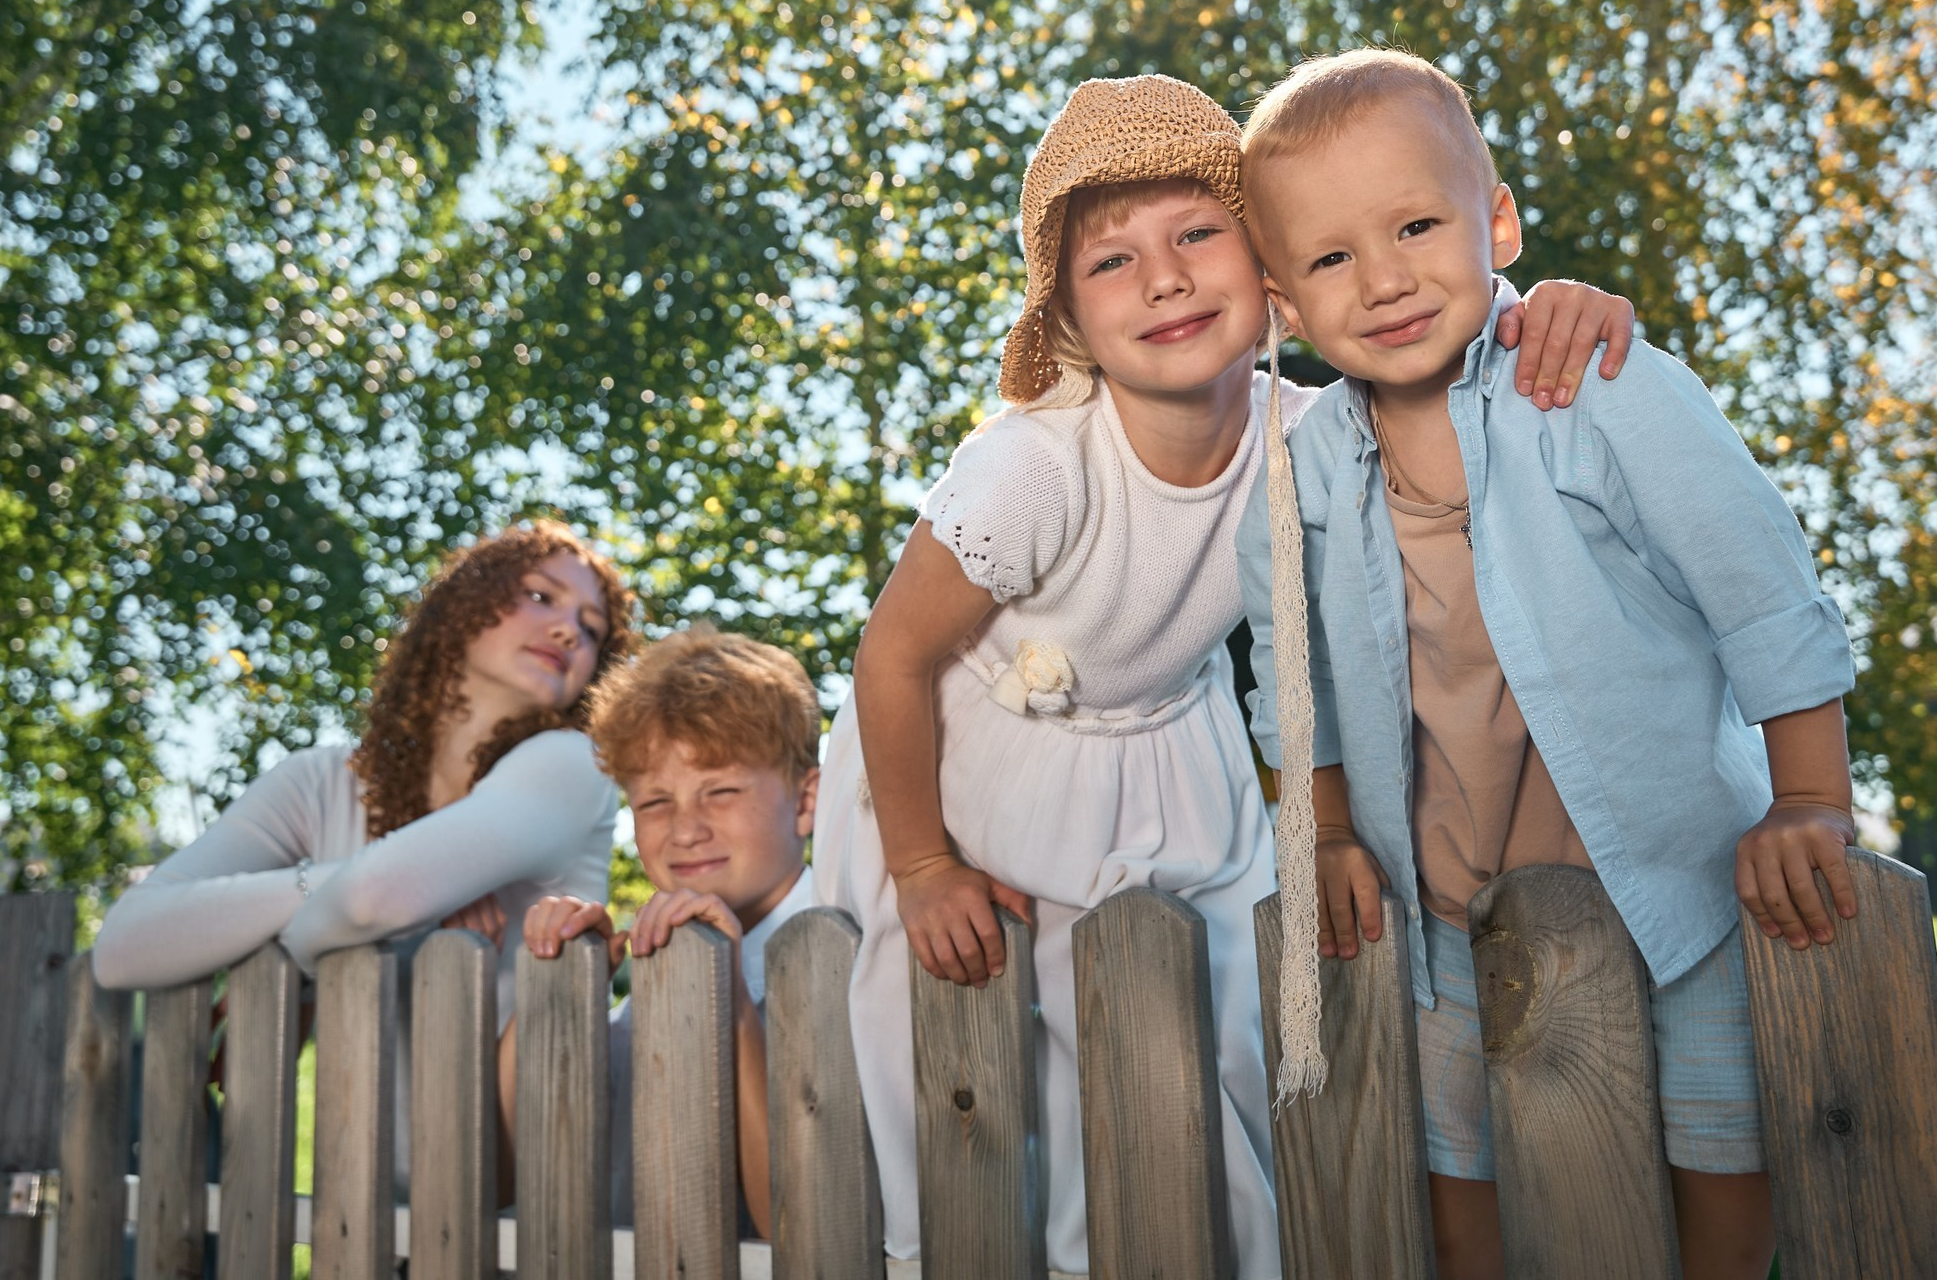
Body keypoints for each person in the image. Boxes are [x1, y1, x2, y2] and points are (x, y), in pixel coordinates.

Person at [813, 73, 1639, 1278]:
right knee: (948, 1064)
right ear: (1070, 323)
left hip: (1170, 751)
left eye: (1197, 234)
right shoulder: (1036, 470)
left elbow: (1454, 370)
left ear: (1269, 277)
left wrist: (1549, 308)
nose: (1163, 278)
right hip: (964, 758)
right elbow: (890, 655)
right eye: (1112, 262)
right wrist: (924, 863)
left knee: (1222, 1067)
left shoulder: (1309, 431)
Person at [1234, 48, 1862, 1280]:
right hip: (1448, 915)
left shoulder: (1589, 386)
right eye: (1330, 257)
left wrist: (1808, 799)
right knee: (1467, 1203)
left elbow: (1759, 585)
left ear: (1498, 221)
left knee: (1716, 1187)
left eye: (1416, 223)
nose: (1385, 278)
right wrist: (1322, 833)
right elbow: (1285, 675)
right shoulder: (1299, 474)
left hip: (1681, 890)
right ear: (1284, 306)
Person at [91, 519, 632, 1162]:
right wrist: (342, 890)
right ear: (461, 608)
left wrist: (292, 950)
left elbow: (378, 895)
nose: (570, 629)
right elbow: (124, 948)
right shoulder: (320, 782)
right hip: (357, 1218)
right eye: (541, 596)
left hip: (533, 1209)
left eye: (592, 628)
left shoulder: (572, 765)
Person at [502, 624, 821, 1235]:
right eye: (653, 802)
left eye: (720, 790)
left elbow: (803, 1233)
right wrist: (560, 988)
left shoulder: (855, 966)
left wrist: (730, 1009)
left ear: (806, 803)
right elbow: (496, 1180)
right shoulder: (645, 983)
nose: (685, 829)